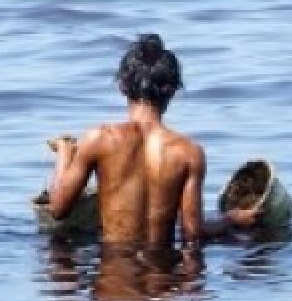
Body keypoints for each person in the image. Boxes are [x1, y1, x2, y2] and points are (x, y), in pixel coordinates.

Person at [46, 33, 258, 249]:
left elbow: (57, 209)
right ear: (173, 91)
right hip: (164, 277)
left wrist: (64, 152)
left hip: (114, 277)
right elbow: (193, 233)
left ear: (122, 86)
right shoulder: (189, 153)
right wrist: (229, 219)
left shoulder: (100, 139)